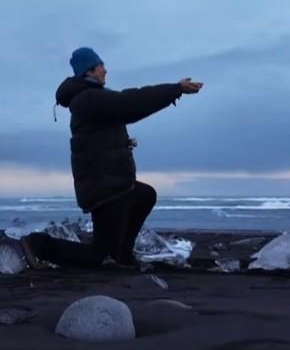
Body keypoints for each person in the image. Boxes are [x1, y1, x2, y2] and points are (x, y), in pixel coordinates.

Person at [21, 47, 203, 268]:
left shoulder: (91, 99)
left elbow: (131, 110)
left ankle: (122, 253)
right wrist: (175, 89)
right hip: (104, 188)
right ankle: (37, 245)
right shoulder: (88, 99)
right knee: (95, 256)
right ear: (90, 70)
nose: (105, 71)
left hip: (111, 183)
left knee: (144, 195)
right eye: (101, 66)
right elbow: (131, 102)